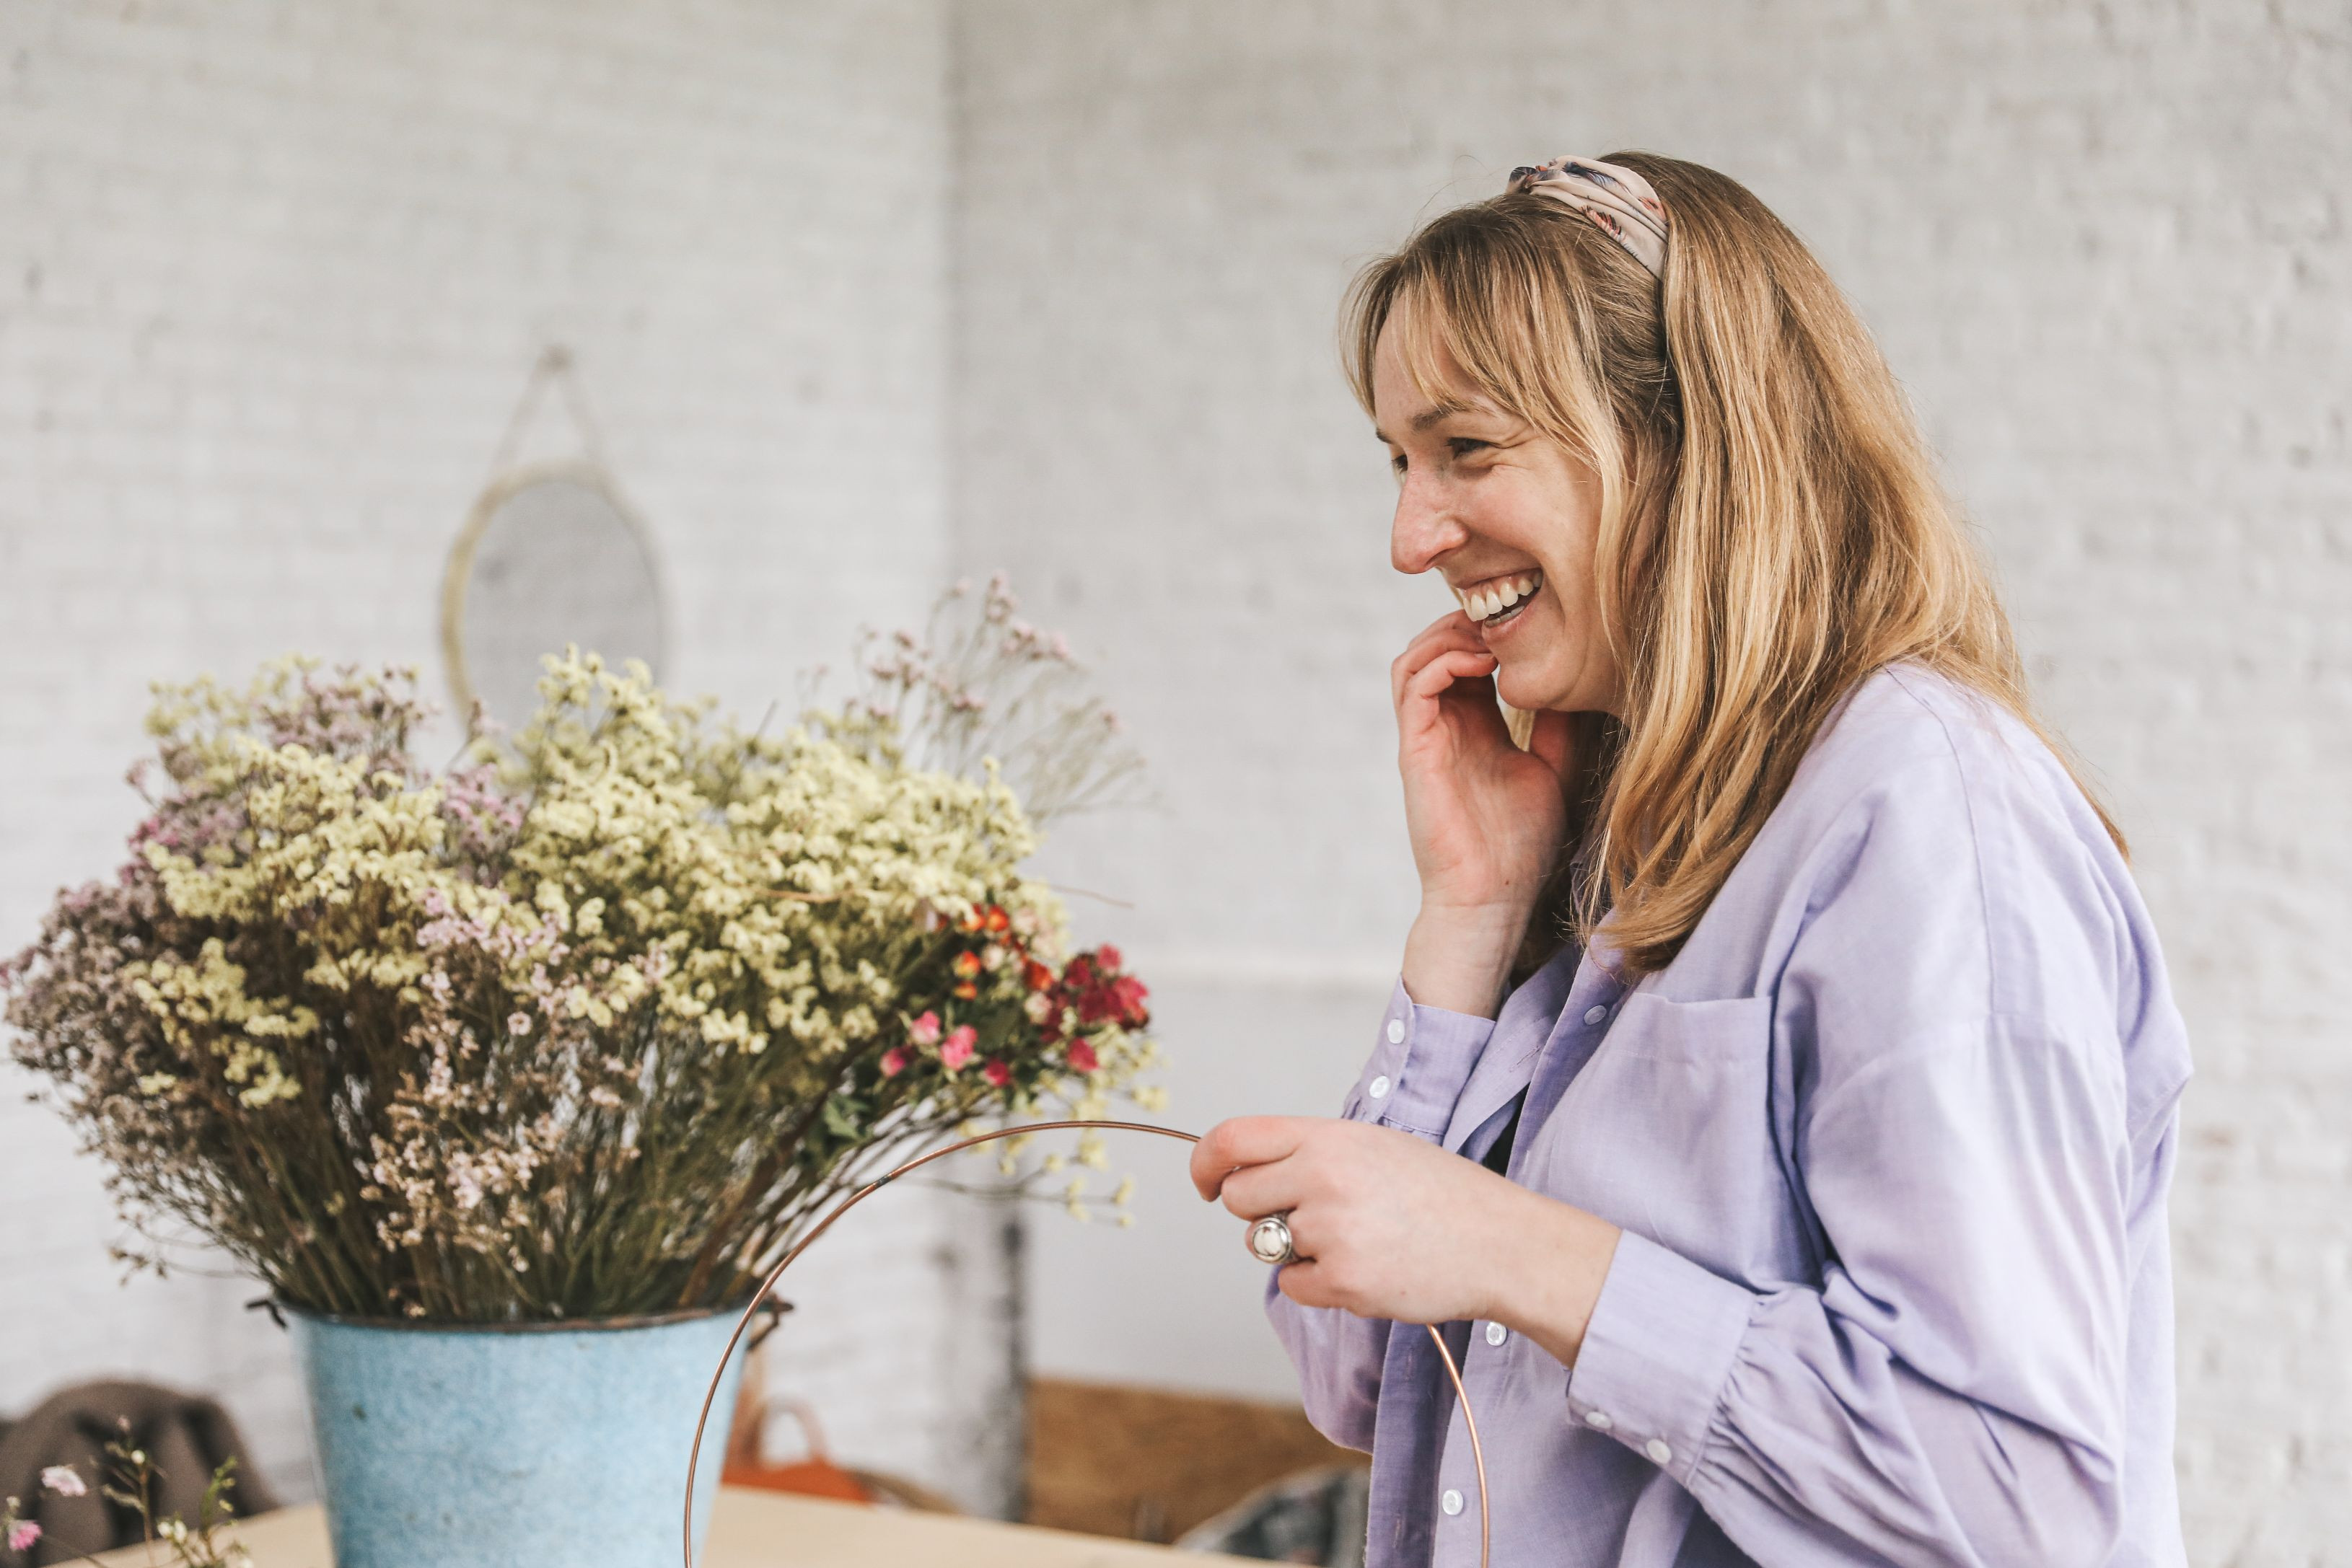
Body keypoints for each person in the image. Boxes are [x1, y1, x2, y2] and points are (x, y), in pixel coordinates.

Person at [1188, 153, 2190, 1568]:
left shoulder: (1928, 822)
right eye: (1401, 462)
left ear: (1690, 445)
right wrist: (1467, 917)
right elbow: (1360, 1381)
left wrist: (1513, 1248)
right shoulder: (1611, 823)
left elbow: (2018, 1505)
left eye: (1466, 450)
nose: (1411, 535)